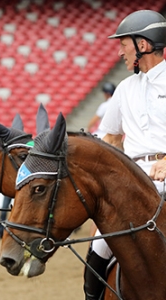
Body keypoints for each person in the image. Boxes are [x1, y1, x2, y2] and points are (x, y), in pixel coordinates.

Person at [83, 10, 166, 300]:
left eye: (123, 44)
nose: (119, 51)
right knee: (98, 246)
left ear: (143, 44)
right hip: (133, 184)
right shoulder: (124, 88)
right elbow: (110, 140)